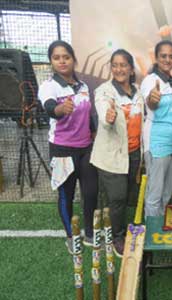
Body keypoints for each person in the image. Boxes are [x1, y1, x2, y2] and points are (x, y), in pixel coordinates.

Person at [38, 40, 98, 254]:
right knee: (67, 194)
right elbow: (50, 107)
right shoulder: (49, 86)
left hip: (86, 148)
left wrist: (95, 131)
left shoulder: (83, 86)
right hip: (62, 149)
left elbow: (88, 115)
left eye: (66, 57)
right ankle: (71, 237)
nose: (62, 61)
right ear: (51, 62)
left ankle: (90, 232)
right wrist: (61, 108)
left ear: (73, 59)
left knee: (91, 193)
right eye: (57, 57)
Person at [90, 49, 143, 257]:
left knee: (126, 195)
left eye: (123, 65)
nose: (119, 69)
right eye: (115, 65)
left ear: (131, 69)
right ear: (111, 68)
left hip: (133, 153)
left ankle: (116, 225)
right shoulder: (104, 91)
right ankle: (116, 236)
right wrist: (108, 116)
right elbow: (103, 107)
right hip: (112, 155)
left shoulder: (137, 91)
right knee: (118, 197)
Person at [140, 40, 172, 217]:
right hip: (157, 144)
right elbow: (150, 103)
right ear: (157, 57)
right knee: (155, 192)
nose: (167, 60)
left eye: (171, 56)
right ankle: (152, 234)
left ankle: (159, 225)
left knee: (168, 190)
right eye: (163, 56)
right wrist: (153, 98)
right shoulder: (150, 81)